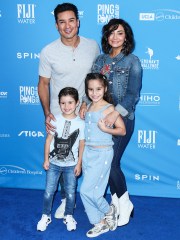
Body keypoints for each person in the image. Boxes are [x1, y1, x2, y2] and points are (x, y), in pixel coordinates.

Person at [38, 3, 99, 219]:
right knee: (62, 156)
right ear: (56, 25)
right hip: (60, 115)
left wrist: (86, 102)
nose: (67, 26)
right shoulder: (48, 51)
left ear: (78, 22)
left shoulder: (93, 46)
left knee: (89, 155)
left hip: (88, 112)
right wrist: (47, 113)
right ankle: (65, 200)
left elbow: (97, 79)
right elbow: (43, 84)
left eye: (71, 20)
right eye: (62, 22)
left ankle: (95, 198)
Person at [80, 18, 142, 227]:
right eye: (111, 33)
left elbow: (133, 94)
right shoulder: (100, 60)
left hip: (122, 118)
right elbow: (91, 85)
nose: (115, 37)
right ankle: (116, 203)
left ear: (126, 37)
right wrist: (83, 103)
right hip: (99, 118)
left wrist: (115, 113)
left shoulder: (133, 61)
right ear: (106, 36)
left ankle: (124, 204)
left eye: (120, 33)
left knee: (112, 163)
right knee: (106, 165)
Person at [80, 73, 126, 238]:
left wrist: (106, 129)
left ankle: (109, 210)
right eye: (91, 89)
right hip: (88, 154)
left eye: (98, 89)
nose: (94, 93)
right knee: (92, 190)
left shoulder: (109, 109)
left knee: (86, 191)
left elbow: (122, 130)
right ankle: (99, 222)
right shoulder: (88, 107)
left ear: (105, 88)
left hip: (102, 153)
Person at [37, 87, 85, 232]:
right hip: (53, 164)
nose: (66, 106)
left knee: (70, 193)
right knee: (48, 192)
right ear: (58, 104)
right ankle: (45, 215)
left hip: (71, 166)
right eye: (63, 103)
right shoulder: (54, 120)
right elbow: (48, 141)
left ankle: (68, 216)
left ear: (77, 103)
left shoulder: (82, 123)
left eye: (70, 102)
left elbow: (82, 144)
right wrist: (46, 159)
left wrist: (79, 163)